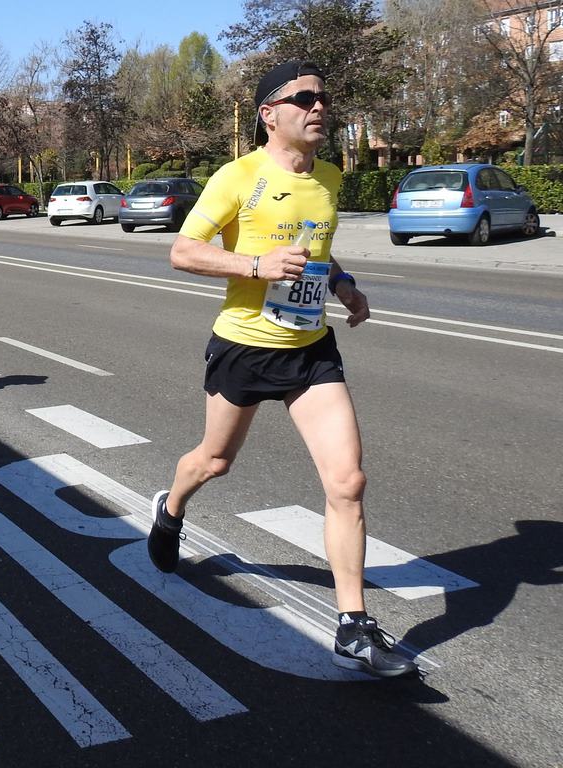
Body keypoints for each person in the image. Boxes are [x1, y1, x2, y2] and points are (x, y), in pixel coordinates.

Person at [145, 61, 416, 678]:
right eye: (303, 99)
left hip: (310, 348)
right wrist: (255, 266)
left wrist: (345, 285)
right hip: (243, 346)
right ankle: (172, 508)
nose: (319, 107)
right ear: (270, 114)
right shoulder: (238, 177)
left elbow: (319, 251)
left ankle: (353, 626)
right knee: (215, 462)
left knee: (347, 482)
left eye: (324, 98)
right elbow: (182, 251)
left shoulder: (329, 179)